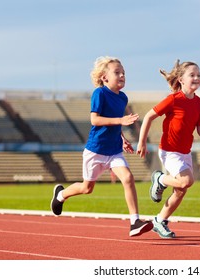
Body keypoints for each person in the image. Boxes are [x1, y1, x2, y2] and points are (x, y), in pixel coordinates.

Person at [50, 56, 153, 237]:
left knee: (128, 178)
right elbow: (95, 119)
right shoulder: (100, 93)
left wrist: (122, 139)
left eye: (124, 73)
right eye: (117, 72)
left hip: (114, 151)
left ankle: (134, 221)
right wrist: (121, 120)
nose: (122, 75)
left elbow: (115, 124)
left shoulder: (123, 98)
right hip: (96, 150)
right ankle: (60, 195)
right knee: (86, 188)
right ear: (104, 77)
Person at [136, 59, 200, 238]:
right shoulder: (173, 100)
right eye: (192, 75)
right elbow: (148, 116)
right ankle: (160, 179)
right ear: (181, 80)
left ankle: (160, 221)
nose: (197, 78)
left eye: (199, 75)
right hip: (169, 150)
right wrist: (142, 141)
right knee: (186, 181)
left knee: (181, 190)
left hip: (185, 152)